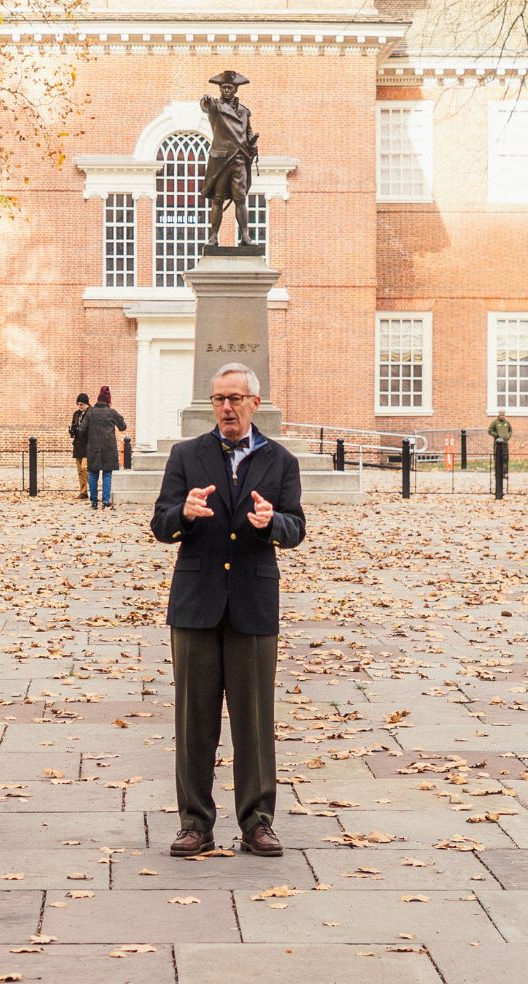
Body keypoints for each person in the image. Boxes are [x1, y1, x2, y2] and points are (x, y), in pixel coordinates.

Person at [151, 363, 305, 858]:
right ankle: (194, 822)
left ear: (255, 404)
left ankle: (257, 821)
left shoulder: (280, 461)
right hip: (195, 605)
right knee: (194, 722)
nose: (227, 408)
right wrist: (184, 515)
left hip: (253, 605)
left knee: (254, 722)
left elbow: (296, 527)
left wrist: (271, 522)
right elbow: (161, 523)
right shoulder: (186, 455)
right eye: (219, 399)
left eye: (236, 398)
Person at [200, 70, 259, 247]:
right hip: (221, 160)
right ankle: (214, 236)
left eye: (230, 88)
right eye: (224, 87)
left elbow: (248, 131)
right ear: (220, 88)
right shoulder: (215, 106)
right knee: (218, 199)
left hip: (240, 159)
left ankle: (245, 236)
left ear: (235, 90)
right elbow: (205, 106)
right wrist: (205, 101)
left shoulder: (244, 111)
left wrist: (252, 144)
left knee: (240, 198)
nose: (227, 90)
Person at [84, 386, 126, 510]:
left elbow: (82, 429)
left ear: (98, 399)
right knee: (107, 475)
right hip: (109, 449)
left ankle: (94, 502)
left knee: (92, 475)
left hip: (93, 448)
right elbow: (123, 427)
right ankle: (106, 501)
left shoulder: (90, 412)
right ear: (108, 400)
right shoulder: (111, 412)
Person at [68, 393, 90, 499]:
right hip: (77, 444)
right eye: (78, 404)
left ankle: (92, 488)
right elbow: (74, 424)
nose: (80, 406)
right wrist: (72, 431)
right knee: (79, 470)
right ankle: (83, 491)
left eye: (81, 404)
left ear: (86, 404)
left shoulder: (90, 413)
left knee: (84, 467)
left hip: (87, 444)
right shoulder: (76, 414)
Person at [488, 410, 512, 477]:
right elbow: (490, 431)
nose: (502, 416)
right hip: (497, 444)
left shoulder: (507, 423)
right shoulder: (495, 422)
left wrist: (508, 436)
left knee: (505, 458)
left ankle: (504, 473)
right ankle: (497, 473)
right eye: (501, 415)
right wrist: (496, 435)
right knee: (498, 458)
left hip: (505, 443)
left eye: (503, 415)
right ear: (499, 415)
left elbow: (510, 430)